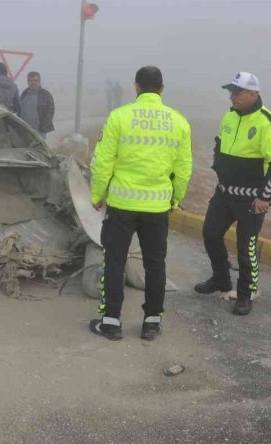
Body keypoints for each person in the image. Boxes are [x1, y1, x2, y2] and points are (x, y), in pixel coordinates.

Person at [88, 66, 193, 341]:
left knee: (114, 262)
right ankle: (151, 322)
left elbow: (102, 161)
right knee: (155, 264)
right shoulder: (179, 122)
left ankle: (110, 322)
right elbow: (183, 168)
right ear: (161, 89)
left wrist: (97, 195)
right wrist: (175, 199)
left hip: (122, 205)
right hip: (157, 208)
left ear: (136, 86)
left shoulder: (119, 117)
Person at [195, 72, 271, 316]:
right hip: (224, 193)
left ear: (253, 94)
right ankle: (221, 279)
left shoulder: (267, 122)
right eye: (231, 92)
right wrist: (219, 165)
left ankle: (246, 294)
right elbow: (219, 142)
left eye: (237, 92)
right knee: (210, 233)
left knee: (245, 247)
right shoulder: (229, 115)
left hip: (251, 199)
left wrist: (265, 196)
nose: (231, 97)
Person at [18, 71, 55, 138]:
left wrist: (44, 124)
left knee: (38, 148)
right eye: (31, 80)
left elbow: (51, 110)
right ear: (28, 81)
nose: (33, 82)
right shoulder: (24, 94)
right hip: (25, 129)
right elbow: (20, 110)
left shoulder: (45, 95)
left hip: (40, 130)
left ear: (39, 81)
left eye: (36, 80)